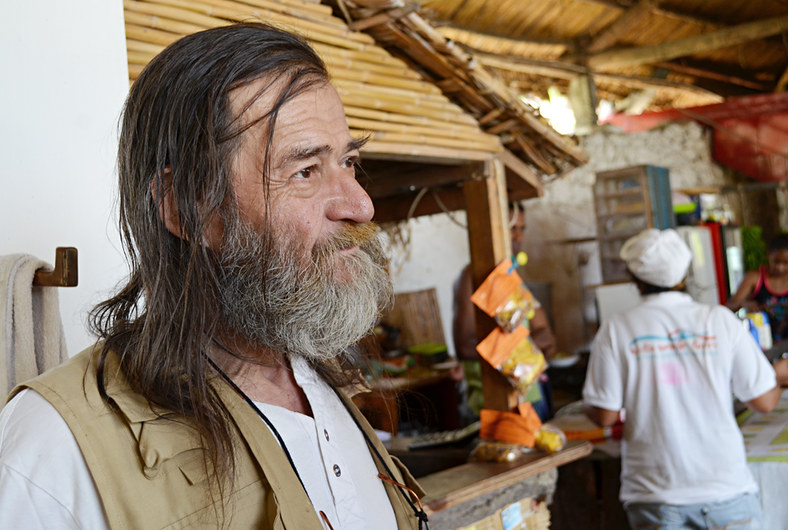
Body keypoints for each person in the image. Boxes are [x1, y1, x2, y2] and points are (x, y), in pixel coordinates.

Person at [0, 23, 427, 529]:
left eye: (349, 161)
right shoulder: (51, 452)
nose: (361, 204)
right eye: (305, 171)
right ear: (188, 207)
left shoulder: (323, 383)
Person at [582, 228, 785, 530]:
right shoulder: (719, 320)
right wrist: (778, 376)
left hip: (655, 494)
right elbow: (764, 401)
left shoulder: (616, 329)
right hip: (724, 488)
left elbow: (605, 415)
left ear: (634, 278)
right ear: (684, 273)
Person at [453, 202, 556, 420]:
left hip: (530, 399)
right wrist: (521, 351)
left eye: (521, 229)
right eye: (511, 228)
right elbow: (464, 346)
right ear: (492, 228)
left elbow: (543, 329)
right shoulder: (471, 277)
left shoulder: (510, 275)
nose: (517, 236)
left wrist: (532, 345)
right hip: (493, 407)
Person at [728, 233, 788, 344]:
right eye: (776, 262)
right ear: (769, 255)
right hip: (761, 345)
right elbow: (729, 306)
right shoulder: (754, 277)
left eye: (785, 263)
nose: (780, 268)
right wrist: (744, 304)